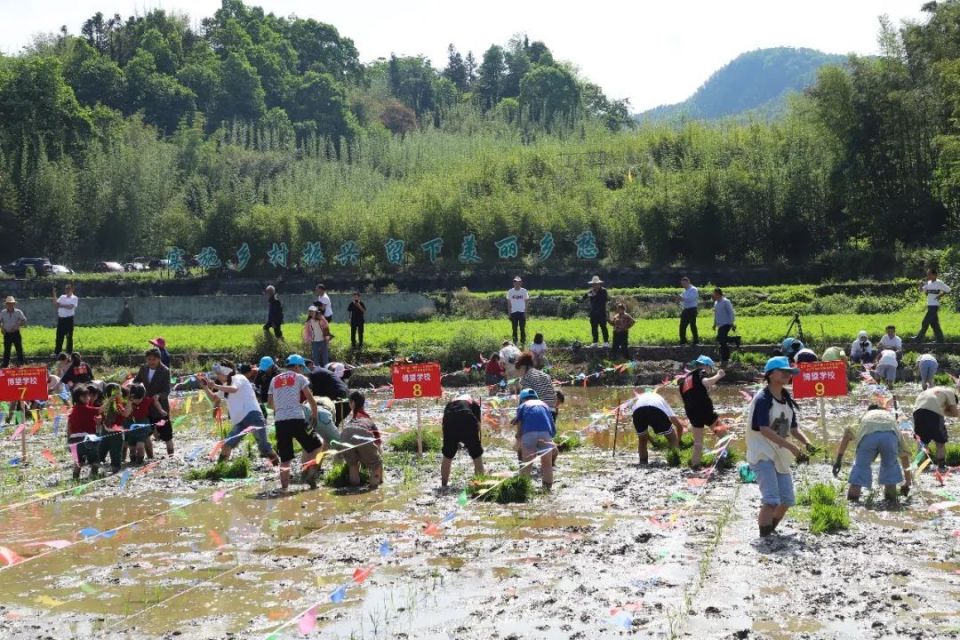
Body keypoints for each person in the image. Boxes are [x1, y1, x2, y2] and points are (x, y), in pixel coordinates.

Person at [746, 357, 815, 538]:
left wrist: (807, 442)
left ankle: (770, 532)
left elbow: (793, 428)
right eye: (782, 371)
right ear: (769, 375)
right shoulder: (763, 399)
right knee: (771, 500)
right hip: (763, 453)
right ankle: (765, 539)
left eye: (789, 372)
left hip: (780, 454)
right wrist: (792, 447)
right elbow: (764, 429)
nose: (787, 374)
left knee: (786, 501)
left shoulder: (786, 398)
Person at [201, 361, 279, 465]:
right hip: (240, 421)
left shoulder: (238, 378)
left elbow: (234, 389)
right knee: (227, 445)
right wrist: (205, 387)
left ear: (227, 372)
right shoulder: (225, 385)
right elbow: (215, 398)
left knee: (264, 448)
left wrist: (215, 385)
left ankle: (278, 467)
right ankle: (220, 469)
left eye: (219, 373)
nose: (217, 376)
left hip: (252, 416)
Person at [833, 405, 912, 502]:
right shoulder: (890, 418)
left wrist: (838, 460)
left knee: (860, 468)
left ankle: (852, 503)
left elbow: (847, 434)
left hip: (868, 435)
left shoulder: (865, 417)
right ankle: (891, 502)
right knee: (890, 468)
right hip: (890, 436)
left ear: (868, 411)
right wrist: (908, 481)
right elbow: (904, 454)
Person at [268, 354, 323, 491]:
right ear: (297, 366)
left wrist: (281, 409)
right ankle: (309, 474)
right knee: (316, 445)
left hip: (280, 422)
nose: (302, 370)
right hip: (297, 419)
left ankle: (284, 489)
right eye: (301, 368)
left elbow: (269, 404)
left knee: (285, 458)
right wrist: (314, 415)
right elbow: (311, 399)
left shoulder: (274, 380)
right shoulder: (300, 378)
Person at [678, 355, 724, 468]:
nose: (709, 372)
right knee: (724, 436)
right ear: (706, 366)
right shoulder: (701, 371)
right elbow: (706, 382)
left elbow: (690, 394)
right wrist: (718, 375)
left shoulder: (685, 379)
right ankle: (719, 462)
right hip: (705, 410)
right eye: (710, 369)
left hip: (691, 412)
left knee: (698, 443)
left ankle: (695, 465)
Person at [512, 388, 555, 490]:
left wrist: (518, 438)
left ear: (522, 399)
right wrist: (551, 437)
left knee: (527, 463)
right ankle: (547, 489)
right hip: (545, 434)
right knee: (547, 464)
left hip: (529, 433)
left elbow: (520, 425)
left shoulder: (522, 406)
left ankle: (522, 489)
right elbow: (551, 422)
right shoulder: (545, 405)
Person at [339, 391, 383, 489]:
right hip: (362, 433)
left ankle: (354, 490)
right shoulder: (366, 417)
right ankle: (376, 487)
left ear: (352, 403)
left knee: (353, 465)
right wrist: (378, 456)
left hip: (345, 433)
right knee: (376, 464)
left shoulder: (352, 418)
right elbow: (378, 442)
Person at [133, 347, 172, 457]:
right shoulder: (143, 368)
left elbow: (167, 390)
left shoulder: (165, 371)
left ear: (159, 359)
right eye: (149, 359)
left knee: (167, 434)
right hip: (145, 405)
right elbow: (137, 381)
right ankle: (150, 457)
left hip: (160, 406)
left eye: (153, 359)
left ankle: (171, 456)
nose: (151, 362)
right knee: (146, 434)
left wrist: (158, 396)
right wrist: (134, 386)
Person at [441, 394, 485, 487]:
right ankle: (479, 485)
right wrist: (472, 442)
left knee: (447, 456)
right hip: (467, 418)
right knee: (477, 455)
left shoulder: (450, 403)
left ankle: (444, 485)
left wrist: (452, 441)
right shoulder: (474, 403)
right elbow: (478, 425)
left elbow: (444, 423)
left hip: (449, 420)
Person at [912, 385, 958, 473]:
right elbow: (954, 412)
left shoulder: (934, 391)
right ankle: (941, 466)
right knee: (940, 441)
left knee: (922, 442)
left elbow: (935, 407)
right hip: (933, 413)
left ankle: (922, 466)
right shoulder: (951, 393)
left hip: (917, 412)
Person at [631, 389, 685, 465]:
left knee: (642, 440)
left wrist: (653, 441)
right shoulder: (660, 399)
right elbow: (679, 426)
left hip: (637, 412)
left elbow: (644, 433)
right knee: (672, 438)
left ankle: (643, 463)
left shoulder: (641, 398)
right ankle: (675, 461)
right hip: (655, 410)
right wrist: (678, 441)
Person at [121, 383, 165, 465]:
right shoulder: (128, 401)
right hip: (130, 426)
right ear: (131, 396)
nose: (137, 401)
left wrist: (161, 410)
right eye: (135, 399)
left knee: (140, 446)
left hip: (142, 425)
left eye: (139, 399)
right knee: (132, 449)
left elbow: (155, 402)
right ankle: (132, 461)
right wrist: (130, 403)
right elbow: (126, 414)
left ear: (143, 396)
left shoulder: (147, 400)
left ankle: (140, 461)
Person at [67, 385, 104, 480]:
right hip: (86, 439)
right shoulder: (85, 408)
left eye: (88, 396)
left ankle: (75, 478)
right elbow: (100, 410)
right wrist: (112, 400)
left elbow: (69, 426)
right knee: (95, 460)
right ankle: (94, 476)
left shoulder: (74, 409)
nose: (87, 398)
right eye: (84, 396)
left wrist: (68, 440)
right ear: (78, 398)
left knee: (79, 462)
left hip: (73, 441)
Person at [912, 268, 950, 343]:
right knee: (934, 324)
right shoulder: (928, 283)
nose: (928, 275)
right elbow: (921, 290)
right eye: (927, 274)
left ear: (935, 275)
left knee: (925, 322)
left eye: (929, 274)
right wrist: (920, 285)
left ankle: (918, 338)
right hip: (930, 305)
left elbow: (948, 290)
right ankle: (940, 340)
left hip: (934, 306)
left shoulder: (939, 282)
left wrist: (940, 296)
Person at [582, 275, 609, 346]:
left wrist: (595, 295)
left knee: (603, 327)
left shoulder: (603, 291)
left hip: (602, 313)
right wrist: (588, 295)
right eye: (593, 284)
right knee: (594, 328)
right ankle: (595, 342)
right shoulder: (591, 291)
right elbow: (583, 297)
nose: (594, 285)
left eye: (596, 284)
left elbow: (604, 300)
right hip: (593, 313)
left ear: (599, 284)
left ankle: (606, 342)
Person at [1, 296, 26, 368]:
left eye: (11, 303)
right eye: (8, 303)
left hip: (16, 333)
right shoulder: (3, 312)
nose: (10, 305)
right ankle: (5, 364)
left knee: (19, 349)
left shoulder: (18, 312)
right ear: (6, 304)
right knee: (7, 350)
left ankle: (21, 363)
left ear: (14, 304)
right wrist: (1, 327)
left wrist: (18, 324)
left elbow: (24, 320)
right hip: (7, 333)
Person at [711, 288, 735, 365]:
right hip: (720, 325)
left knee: (722, 341)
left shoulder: (726, 302)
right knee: (721, 340)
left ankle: (725, 358)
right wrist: (715, 324)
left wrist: (732, 322)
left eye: (714, 293)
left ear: (718, 294)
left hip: (726, 323)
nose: (713, 295)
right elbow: (716, 314)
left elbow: (731, 312)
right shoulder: (716, 303)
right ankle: (725, 357)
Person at [53, 284, 77, 355]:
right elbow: (55, 304)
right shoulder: (62, 297)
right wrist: (54, 295)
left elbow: (70, 307)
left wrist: (61, 305)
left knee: (69, 337)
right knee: (59, 336)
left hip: (69, 319)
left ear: (72, 289)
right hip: (61, 319)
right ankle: (57, 352)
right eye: (66, 289)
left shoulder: (74, 298)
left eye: (69, 289)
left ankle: (69, 353)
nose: (67, 290)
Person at [506, 276, 528, 346]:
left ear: (521, 283)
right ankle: (515, 342)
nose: (517, 283)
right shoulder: (510, 291)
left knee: (522, 328)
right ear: (513, 283)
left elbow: (526, 302)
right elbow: (509, 303)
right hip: (513, 312)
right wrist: (509, 313)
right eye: (515, 282)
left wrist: (525, 312)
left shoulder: (524, 291)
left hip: (522, 312)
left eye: (518, 282)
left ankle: (523, 342)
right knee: (514, 329)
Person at [679, 276, 699, 345]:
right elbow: (682, 299)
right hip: (685, 309)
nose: (683, 285)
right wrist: (678, 299)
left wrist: (682, 298)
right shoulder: (684, 291)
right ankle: (683, 340)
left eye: (684, 284)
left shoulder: (694, 289)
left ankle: (696, 340)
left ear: (688, 282)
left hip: (692, 309)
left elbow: (692, 299)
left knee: (692, 325)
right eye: (682, 284)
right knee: (682, 325)